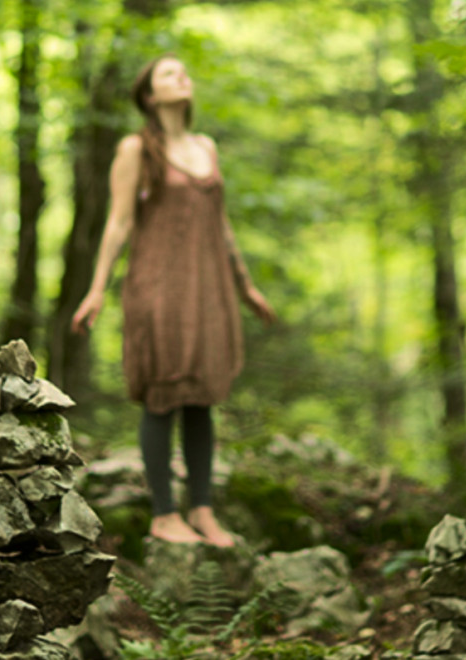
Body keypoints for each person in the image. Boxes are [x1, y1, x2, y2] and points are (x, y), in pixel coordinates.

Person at [71, 54, 276, 547]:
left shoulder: (207, 147)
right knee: (163, 397)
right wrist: (97, 288)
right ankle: (165, 515)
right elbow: (119, 223)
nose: (181, 75)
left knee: (202, 398)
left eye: (184, 70)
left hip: (208, 292)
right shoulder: (136, 148)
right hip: (157, 288)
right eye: (168, 73)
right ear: (149, 95)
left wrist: (245, 285)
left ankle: (202, 511)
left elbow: (221, 225)